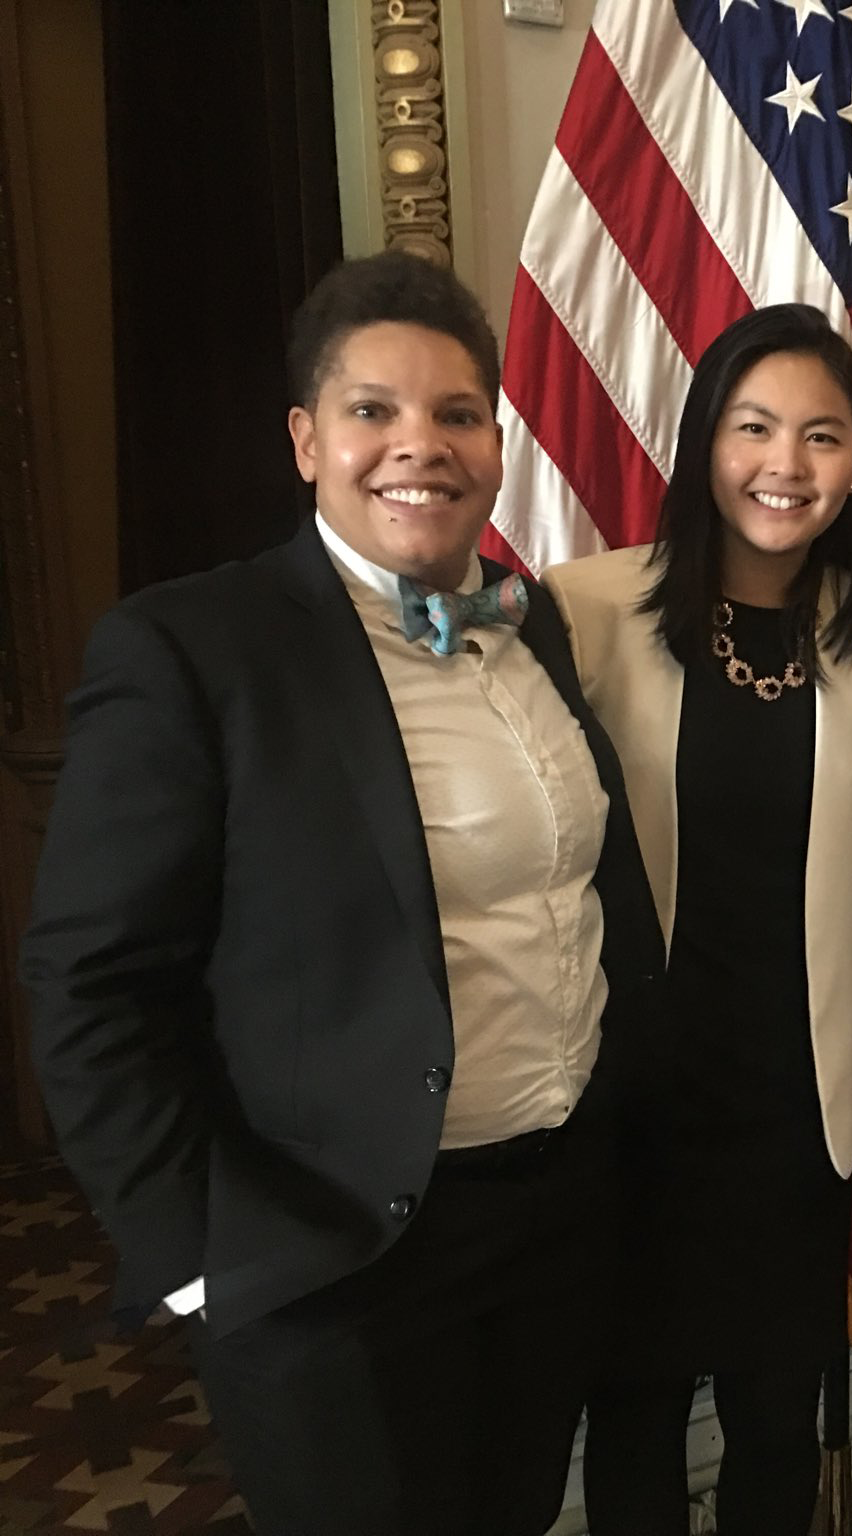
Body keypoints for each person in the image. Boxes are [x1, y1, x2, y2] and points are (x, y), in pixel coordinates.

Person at [21, 250, 665, 1536]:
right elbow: (92, 985)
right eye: (373, 410)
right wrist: (203, 1261)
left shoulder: (529, 628)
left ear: (495, 440)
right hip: (334, 1257)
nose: (416, 445)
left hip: (549, 1226)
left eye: (456, 413)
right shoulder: (192, 650)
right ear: (307, 438)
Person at [541, 302, 852, 1536]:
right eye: (754, 428)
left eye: (820, 437)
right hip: (636, 1099)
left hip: (793, 1104)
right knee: (635, 1422)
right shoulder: (585, 610)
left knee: (774, 1424)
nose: (784, 465)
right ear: (706, 441)